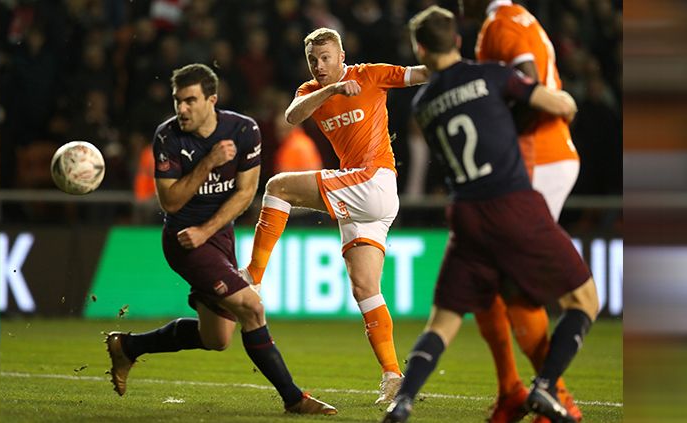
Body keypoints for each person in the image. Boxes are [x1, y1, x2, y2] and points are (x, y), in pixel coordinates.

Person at [382, 6, 599, 422]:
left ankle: (403, 401)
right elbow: (552, 101)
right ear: (459, 40)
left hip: (465, 215)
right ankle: (546, 386)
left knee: (442, 322)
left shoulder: (423, 105)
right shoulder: (492, 76)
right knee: (584, 299)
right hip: (513, 203)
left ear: (420, 48)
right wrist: (565, 101)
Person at [104, 63, 336, 415]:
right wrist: (209, 162)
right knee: (253, 308)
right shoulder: (168, 137)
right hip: (184, 242)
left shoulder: (244, 130)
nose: (182, 109)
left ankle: (128, 347)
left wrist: (209, 230)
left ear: (211, 100)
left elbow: (245, 194)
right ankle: (294, 398)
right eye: (178, 100)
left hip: (217, 238)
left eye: (191, 101)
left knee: (216, 339)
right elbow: (170, 202)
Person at [237, 27, 430, 404]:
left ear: (342, 55)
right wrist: (332, 89)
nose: (320, 66)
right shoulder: (311, 92)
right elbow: (293, 116)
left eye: (326, 58)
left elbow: (416, 73)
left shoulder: (369, 74)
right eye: (313, 60)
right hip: (366, 198)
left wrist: (458, 67)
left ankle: (253, 278)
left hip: (373, 181)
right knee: (365, 290)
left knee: (277, 187)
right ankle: (393, 376)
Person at [464, 1, 584, 420]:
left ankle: (550, 394)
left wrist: (497, 130)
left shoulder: (500, 24)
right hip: (543, 157)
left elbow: (529, 82)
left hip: (538, 158)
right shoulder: (518, 17)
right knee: (494, 278)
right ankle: (523, 391)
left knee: (502, 278)